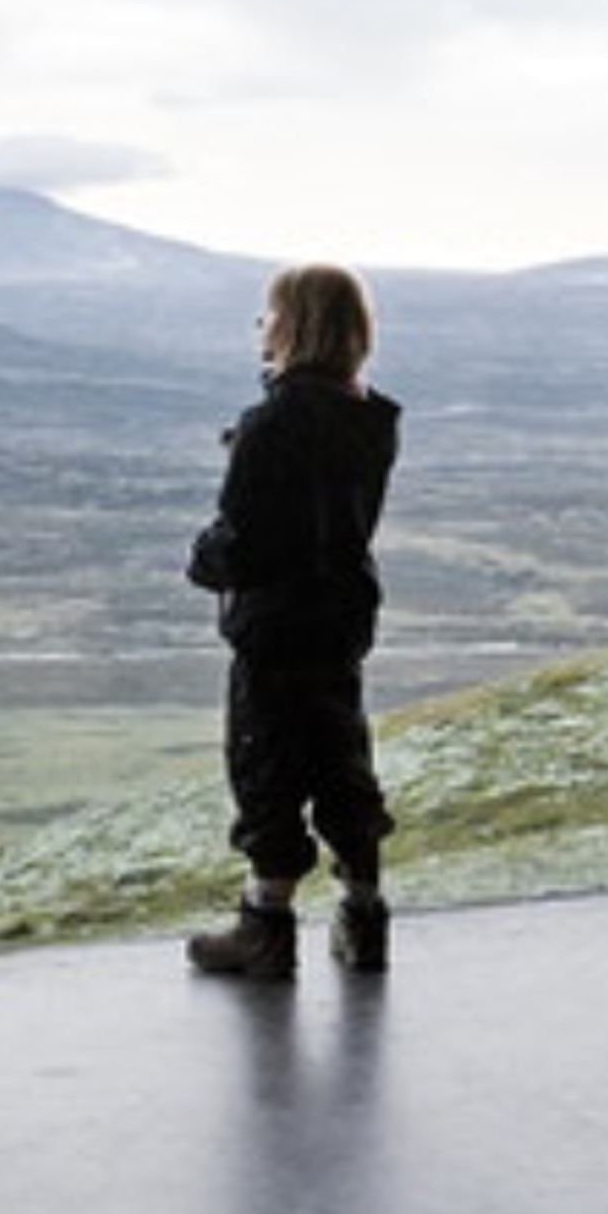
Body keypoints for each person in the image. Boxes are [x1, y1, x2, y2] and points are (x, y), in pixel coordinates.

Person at [180, 261, 399, 979]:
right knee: (342, 760)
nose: (260, 326)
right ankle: (364, 916)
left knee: (267, 765)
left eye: (269, 313)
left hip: (276, 625)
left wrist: (204, 557)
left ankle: (264, 928)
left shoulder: (270, 425)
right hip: (341, 618)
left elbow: (244, 542)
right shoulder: (371, 418)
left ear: (295, 324)